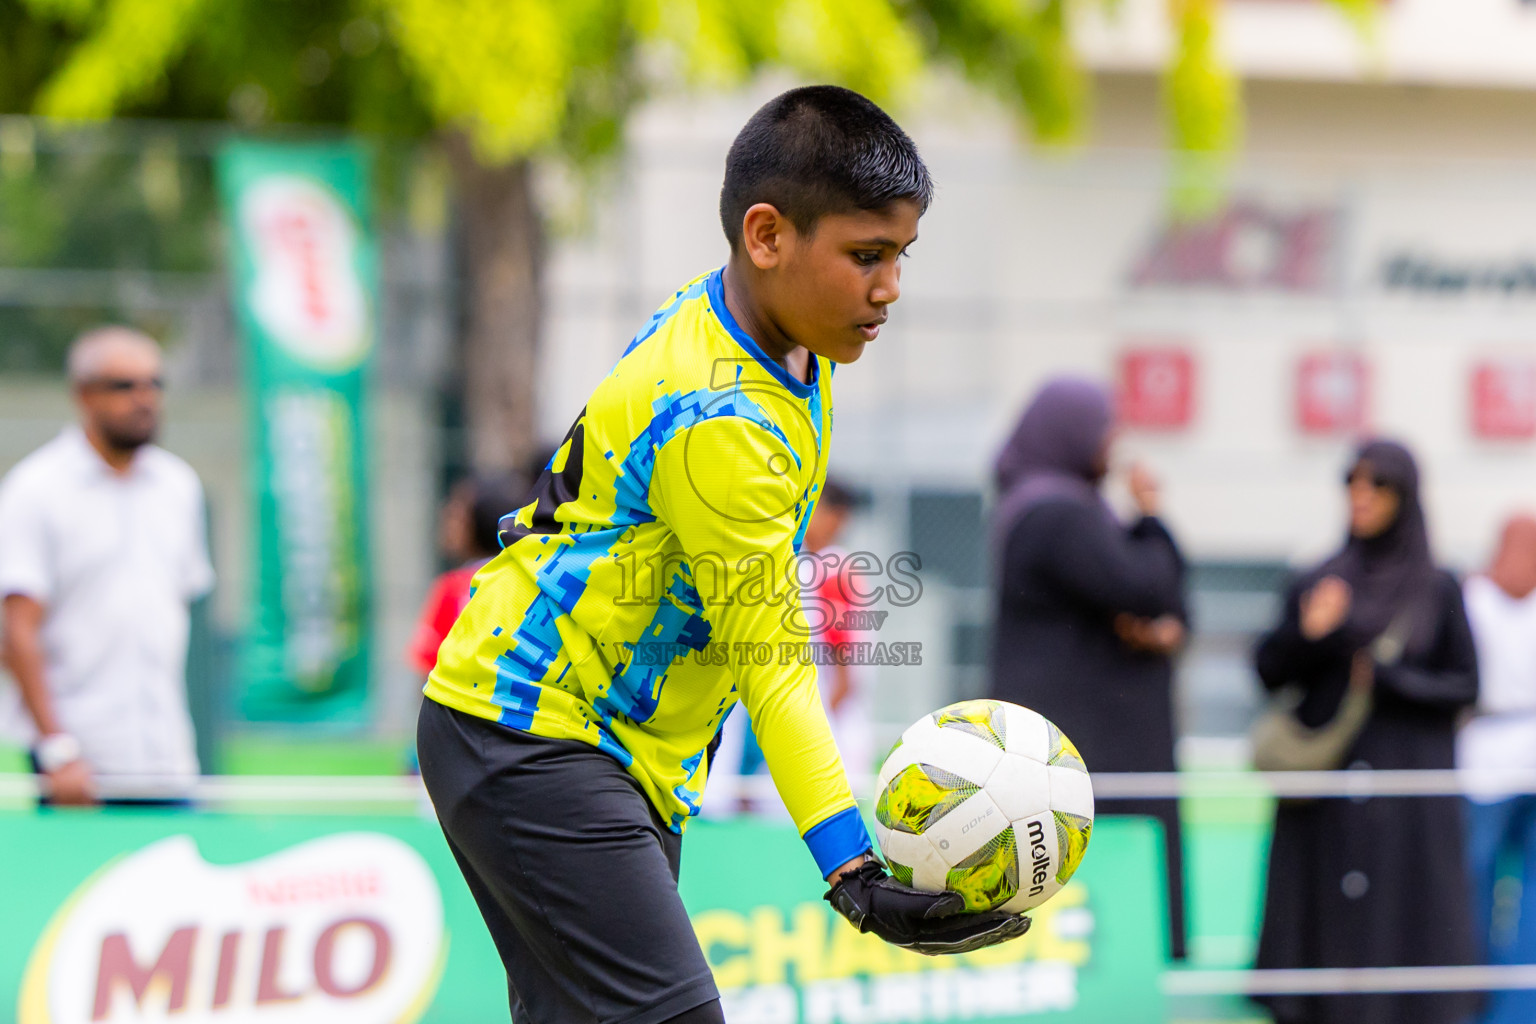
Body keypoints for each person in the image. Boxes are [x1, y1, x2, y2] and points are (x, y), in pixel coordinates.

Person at [415, 86, 1028, 1024]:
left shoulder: (775, 336)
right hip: (533, 733)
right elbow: (773, 657)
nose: (890, 288)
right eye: (866, 256)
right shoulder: (724, 419)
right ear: (767, 234)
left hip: (605, 746)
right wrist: (851, 871)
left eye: (900, 256)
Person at [1253, 439, 1479, 1024]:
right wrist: (1312, 634)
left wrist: (1390, 677)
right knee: (1323, 919)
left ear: (1403, 497)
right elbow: (1269, 671)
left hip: (1408, 789)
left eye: (1377, 486)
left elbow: (1463, 685)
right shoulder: (1322, 578)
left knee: (1406, 923)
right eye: (1352, 483)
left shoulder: (1437, 587)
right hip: (1327, 789)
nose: (1362, 497)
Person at [986, 376, 1190, 960]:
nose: (1114, 442)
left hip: (1075, 734)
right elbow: (1147, 586)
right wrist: (1152, 518)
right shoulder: (1057, 515)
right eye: (1104, 429)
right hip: (1082, 741)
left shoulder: (1053, 506)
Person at [0, 326, 214, 805]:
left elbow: (177, 615)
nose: (144, 398)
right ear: (83, 394)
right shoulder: (36, 489)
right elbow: (16, 631)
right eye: (124, 385)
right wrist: (57, 750)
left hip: (168, 759)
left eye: (154, 384)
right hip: (81, 765)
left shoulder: (177, 486)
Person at [1457, 514, 1536, 1024]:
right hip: (1483, 760)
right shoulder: (1472, 598)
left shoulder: (1470, 596)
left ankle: (1513, 1007)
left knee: (1485, 886)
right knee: (1473, 887)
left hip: (1494, 756)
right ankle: (1482, 1003)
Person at [405, 473, 527, 678]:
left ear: (481, 521)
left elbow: (428, 669)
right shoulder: (528, 580)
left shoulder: (453, 589)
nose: (446, 521)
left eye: (456, 515)